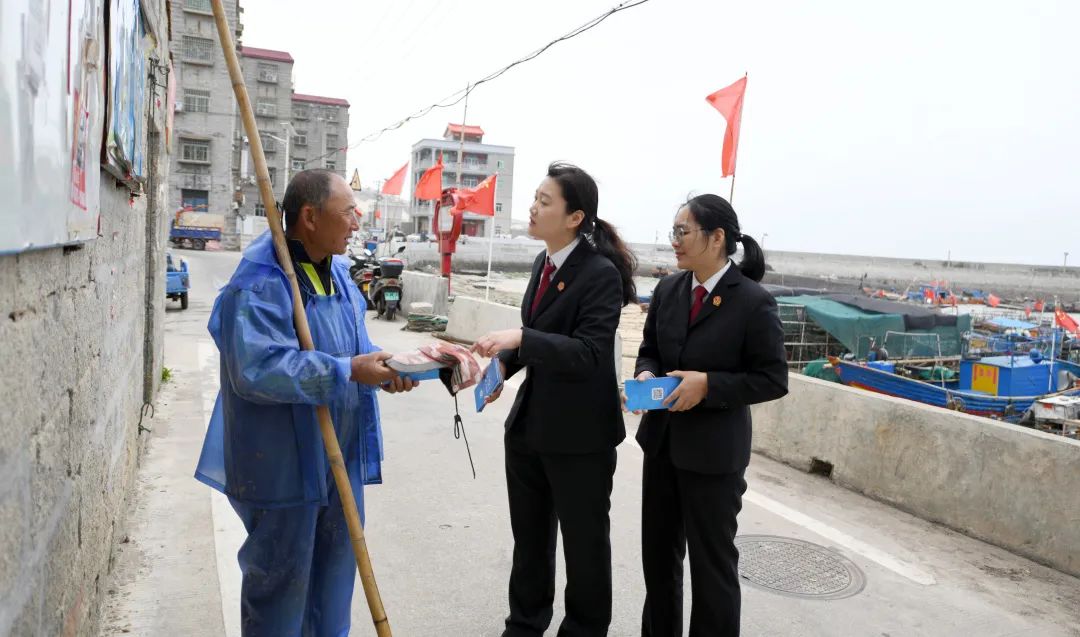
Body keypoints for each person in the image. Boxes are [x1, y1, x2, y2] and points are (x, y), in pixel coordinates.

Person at [194, 169, 416, 636]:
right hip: (284, 466)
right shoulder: (259, 280)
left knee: (333, 587)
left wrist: (383, 370)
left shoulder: (337, 271)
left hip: (340, 457)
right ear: (310, 217)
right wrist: (347, 370)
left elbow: (353, 345)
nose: (356, 223)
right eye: (348, 213)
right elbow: (256, 369)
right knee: (280, 590)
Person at [472, 162, 637, 637]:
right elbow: (539, 341)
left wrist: (520, 337)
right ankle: (524, 625)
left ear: (574, 217)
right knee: (530, 541)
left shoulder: (599, 274)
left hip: (581, 436)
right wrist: (502, 367)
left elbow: (587, 353)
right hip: (530, 429)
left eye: (545, 202)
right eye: (535, 198)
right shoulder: (542, 264)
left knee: (584, 548)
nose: (533, 207)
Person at [632, 194, 788, 637]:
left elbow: (772, 379)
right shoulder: (668, 290)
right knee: (659, 562)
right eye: (674, 232)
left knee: (712, 568)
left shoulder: (753, 302)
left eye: (684, 232)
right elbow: (650, 351)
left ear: (717, 238)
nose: (675, 242)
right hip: (662, 445)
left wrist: (709, 385)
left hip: (714, 456)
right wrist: (646, 375)